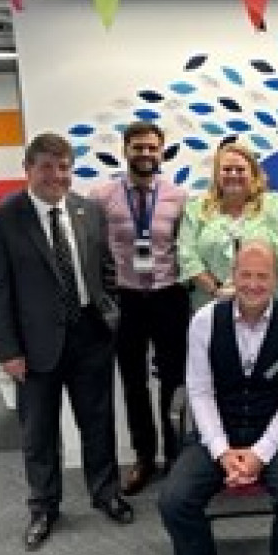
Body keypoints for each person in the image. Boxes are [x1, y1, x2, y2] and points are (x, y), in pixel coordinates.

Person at [0, 133, 133, 552]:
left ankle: (105, 493)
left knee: (97, 422)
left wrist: (110, 315)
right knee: (39, 431)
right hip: (34, 346)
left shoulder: (89, 210)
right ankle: (44, 507)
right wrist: (8, 352)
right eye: (46, 166)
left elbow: (105, 271)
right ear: (28, 170)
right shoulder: (0, 220)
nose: (56, 175)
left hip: (89, 335)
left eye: (63, 166)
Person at [155, 240, 278, 555]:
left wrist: (260, 452)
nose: (253, 284)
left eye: (262, 276)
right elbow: (199, 390)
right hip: (219, 431)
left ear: (276, 279)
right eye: (245, 275)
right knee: (173, 499)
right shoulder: (204, 320)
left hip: (276, 433)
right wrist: (221, 449)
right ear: (233, 276)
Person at [88, 121, 191, 495]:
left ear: (161, 151)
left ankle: (176, 456)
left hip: (169, 296)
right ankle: (144, 456)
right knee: (133, 384)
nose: (145, 154)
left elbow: (186, 249)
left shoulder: (178, 197)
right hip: (127, 299)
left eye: (152, 148)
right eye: (138, 148)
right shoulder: (101, 197)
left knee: (173, 381)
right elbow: (94, 251)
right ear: (125, 150)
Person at [177, 142, 278, 309]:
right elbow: (187, 256)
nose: (233, 174)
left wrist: (250, 292)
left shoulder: (274, 205)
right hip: (210, 303)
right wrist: (216, 290)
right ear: (217, 175)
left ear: (253, 174)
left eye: (240, 170)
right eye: (226, 169)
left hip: (264, 303)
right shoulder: (196, 208)